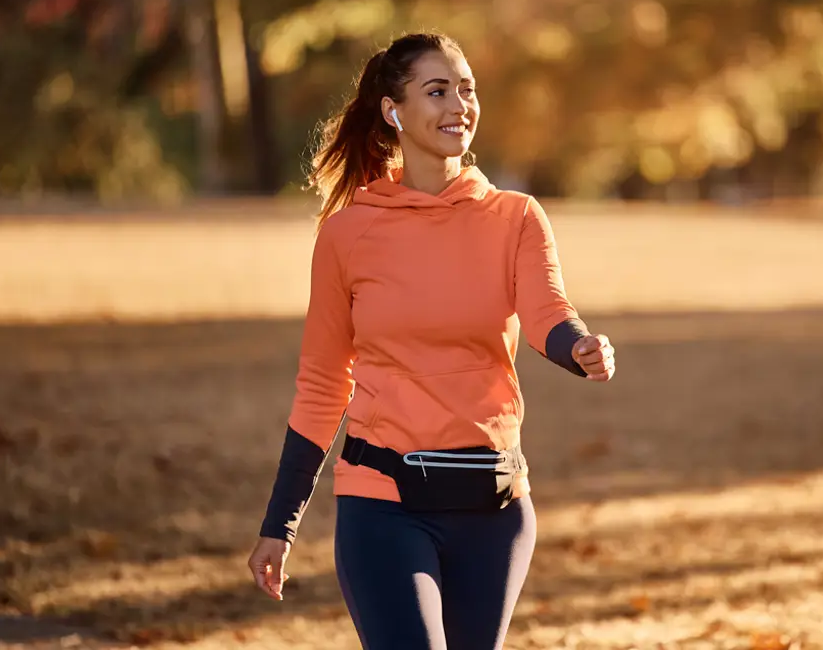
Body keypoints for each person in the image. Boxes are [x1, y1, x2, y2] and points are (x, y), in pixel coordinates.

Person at [246, 32, 616, 650]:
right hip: (384, 504)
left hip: (494, 505)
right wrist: (280, 525)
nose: (459, 106)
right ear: (393, 110)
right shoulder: (347, 234)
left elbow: (547, 310)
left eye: (466, 90)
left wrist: (578, 347)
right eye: (437, 91)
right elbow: (321, 384)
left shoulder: (516, 217)